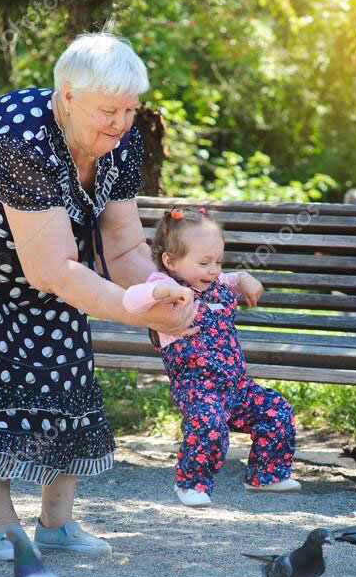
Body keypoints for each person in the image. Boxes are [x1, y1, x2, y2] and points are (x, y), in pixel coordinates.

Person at [0, 32, 197, 559]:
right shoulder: (19, 137)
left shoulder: (121, 141)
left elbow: (125, 243)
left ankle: (56, 524)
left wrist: (160, 292)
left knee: (67, 362)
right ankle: (0, 525)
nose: (121, 122)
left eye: (130, 110)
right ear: (67, 95)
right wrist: (136, 314)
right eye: (109, 110)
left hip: (45, 255)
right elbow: (54, 272)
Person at [121, 207, 300, 507]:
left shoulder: (215, 284)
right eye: (204, 263)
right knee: (208, 423)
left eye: (218, 261)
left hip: (236, 385)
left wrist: (243, 278)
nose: (214, 270)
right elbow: (129, 300)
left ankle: (266, 475)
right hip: (197, 386)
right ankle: (192, 483)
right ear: (170, 262)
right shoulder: (162, 287)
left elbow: (229, 279)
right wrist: (160, 292)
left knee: (276, 409)